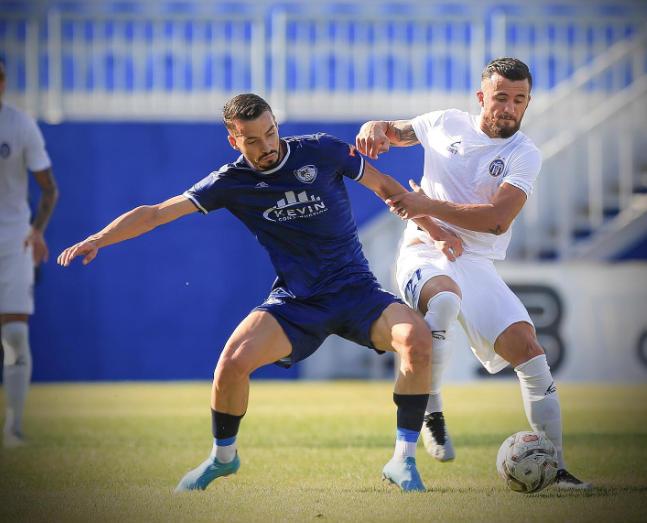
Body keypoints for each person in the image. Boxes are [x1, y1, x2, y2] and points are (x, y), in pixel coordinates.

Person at [58, 93, 462, 492]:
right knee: (230, 365)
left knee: (417, 338)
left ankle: (402, 460)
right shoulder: (230, 181)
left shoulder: (321, 151)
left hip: (356, 291)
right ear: (233, 141)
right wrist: (98, 239)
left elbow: (386, 187)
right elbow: (156, 213)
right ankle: (222, 458)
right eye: (252, 140)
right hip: (298, 302)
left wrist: (436, 231)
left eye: (270, 133)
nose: (267, 145)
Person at [356, 57, 593, 489]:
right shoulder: (445, 122)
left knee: (531, 353)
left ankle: (556, 469)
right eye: (501, 97)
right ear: (481, 97)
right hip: (423, 250)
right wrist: (375, 125)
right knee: (445, 299)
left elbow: (497, 220)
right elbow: (392, 131)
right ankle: (431, 408)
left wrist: (428, 204)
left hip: (477, 261)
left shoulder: (524, 153)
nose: (509, 108)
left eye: (519, 100)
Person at [0, 57, 59, 448]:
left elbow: (48, 188)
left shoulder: (20, 125)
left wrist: (37, 230)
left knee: (15, 333)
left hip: (13, 240)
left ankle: (13, 427)